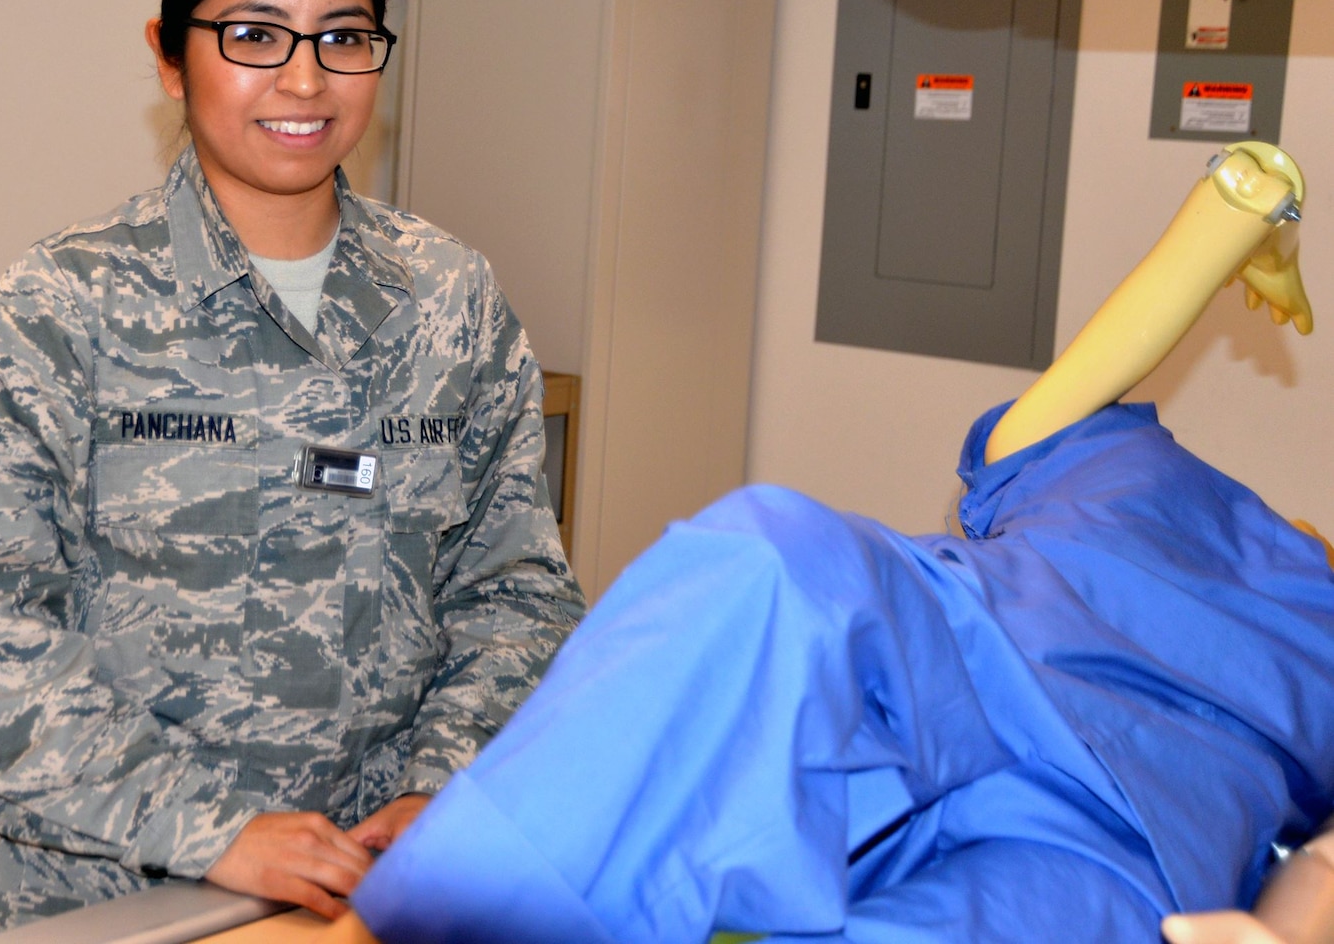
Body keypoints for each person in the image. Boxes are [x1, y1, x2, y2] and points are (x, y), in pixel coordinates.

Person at [319, 142, 1334, 943]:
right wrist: (1246, 218)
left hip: (1135, 832)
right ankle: (399, 927)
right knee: (768, 554)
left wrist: (1286, 926)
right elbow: (1125, 328)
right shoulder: (1140, 476)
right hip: (962, 655)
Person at [0, 0, 583, 943]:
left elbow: (516, 594)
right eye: (254, 35)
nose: (305, 77)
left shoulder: (450, 300)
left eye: (343, 37)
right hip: (99, 903)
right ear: (170, 54)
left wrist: (440, 788)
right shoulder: (64, 304)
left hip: (371, 899)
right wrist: (212, 825)